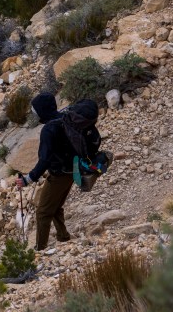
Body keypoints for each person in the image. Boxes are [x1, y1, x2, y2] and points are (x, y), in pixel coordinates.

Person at [16, 96, 101, 250]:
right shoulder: (65, 118)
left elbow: (44, 160)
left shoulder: (49, 129)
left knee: (43, 212)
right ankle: (63, 236)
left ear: (42, 111)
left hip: (59, 175)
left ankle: (40, 248)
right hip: (73, 170)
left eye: (35, 111)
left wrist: (28, 179)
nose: (34, 115)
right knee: (55, 206)